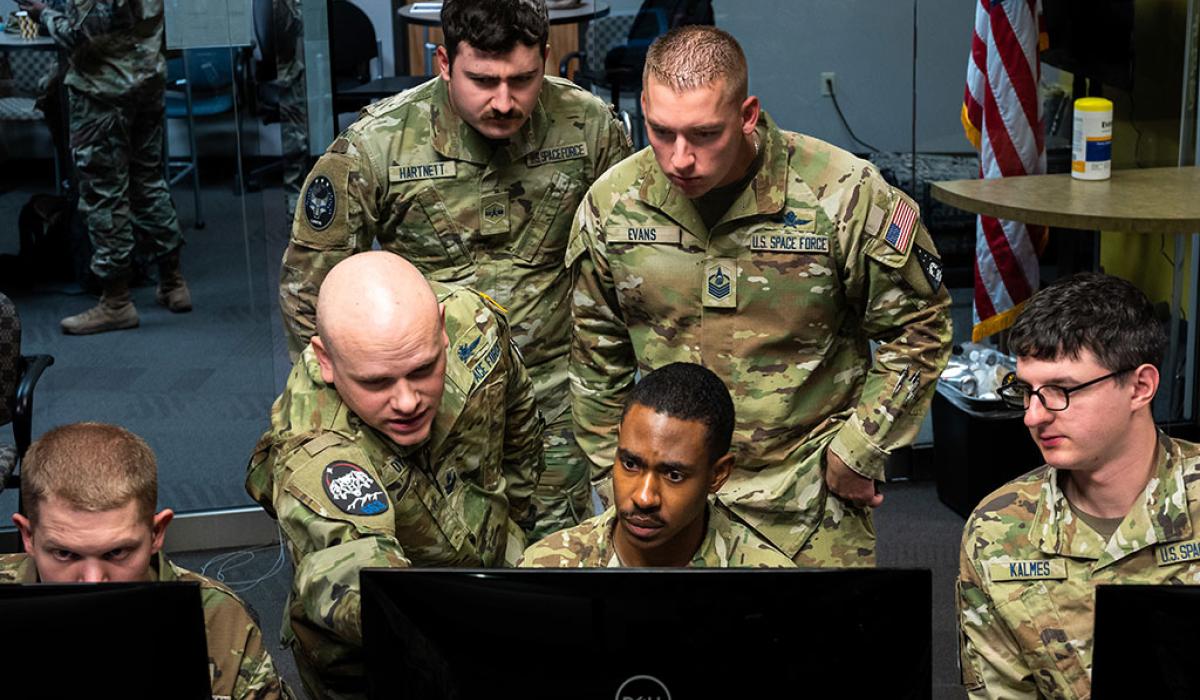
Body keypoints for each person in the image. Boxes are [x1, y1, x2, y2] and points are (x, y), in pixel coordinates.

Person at [567, 25, 952, 568]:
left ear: (747, 115)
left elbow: (919, 326)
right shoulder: (613, 204)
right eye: (661, 131)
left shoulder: (841, 195)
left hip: (805, 497)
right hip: (667, 504)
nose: (680, 158)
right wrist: (619, 482)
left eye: (704, 135)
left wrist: (861, 449)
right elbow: (595, 358)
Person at [278, 0, 632, 541]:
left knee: (557, 561)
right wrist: (352, 409)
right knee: (441, 571)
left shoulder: (589, 128)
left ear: (546, 60)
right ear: (444, 62)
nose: (504, 101)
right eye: (483, 80)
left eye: (524, 79)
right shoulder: (380, 144)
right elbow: (311, 291)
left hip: (554, 400)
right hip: (429, 402)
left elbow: (623, 266)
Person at [246, 251, 544, 700]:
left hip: (490, 579)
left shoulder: (470, 322)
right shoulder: (315, 444)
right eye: (377, 383)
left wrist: (517, 525)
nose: (407, 401)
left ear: (441, 328)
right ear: (325, 360)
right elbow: (360, 576)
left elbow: (519, 422)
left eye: (423, 370)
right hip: (377, 659)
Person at [957, 273, 1200, 699]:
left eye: (1062, 390)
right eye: (1028, 392)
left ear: (1140, 387)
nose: (1034, 416)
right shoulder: (997, 530)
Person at [0, 422, 289, 699]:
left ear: (156, 532)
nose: (92, 580)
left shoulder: (219, 619)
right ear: (28, 536)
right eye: (64, 554)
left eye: (116, 553)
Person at [16, 0, 192, 334]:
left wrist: (43, 13)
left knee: (104, 194)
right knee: (148, 182)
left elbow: (82, 33)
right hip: (146, 80)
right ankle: (173, 282)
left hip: (105, 93)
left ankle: (116, 302)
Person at [521, 362, 793, 568]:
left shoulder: (771, 585)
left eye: (674, 475)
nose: (643, 497)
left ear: (718, 474)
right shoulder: (549, 566)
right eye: (630, 463)